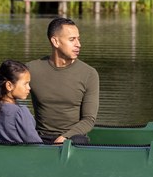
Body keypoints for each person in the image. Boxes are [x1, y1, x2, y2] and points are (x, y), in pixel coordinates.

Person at [26, 17, 99, 145]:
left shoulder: (89, 74)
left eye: (78, 39)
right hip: (39, 138)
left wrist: (65, 137)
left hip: (73, 139)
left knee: (78, 141)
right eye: (72, 39)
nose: (78, 44)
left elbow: (89, 119)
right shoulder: (32, 69)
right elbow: (6, 91)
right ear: (55, 41)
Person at [0, 59, 42, 144]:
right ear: (9, 86)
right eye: (25, 84)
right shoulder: (20, 113)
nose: (29, 88)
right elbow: (37, 144)